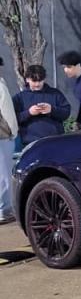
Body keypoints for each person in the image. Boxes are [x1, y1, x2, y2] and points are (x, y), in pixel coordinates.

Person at [13, 64, 71, 148]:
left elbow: (66, 112)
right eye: (34, 81)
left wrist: (52, 110)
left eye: (40, 81)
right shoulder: (20, 98)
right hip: (31, 143)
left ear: (44, 79)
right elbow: (13, 120)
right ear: (27, 79)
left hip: (55, 140)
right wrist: (29, 113)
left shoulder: (55, 93)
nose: (37, 84)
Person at [0, 57, 18, 223]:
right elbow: (7, 113)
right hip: (2, 135)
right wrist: (13, 131)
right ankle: (4, 210)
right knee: (4, 174)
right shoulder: (0, 86)